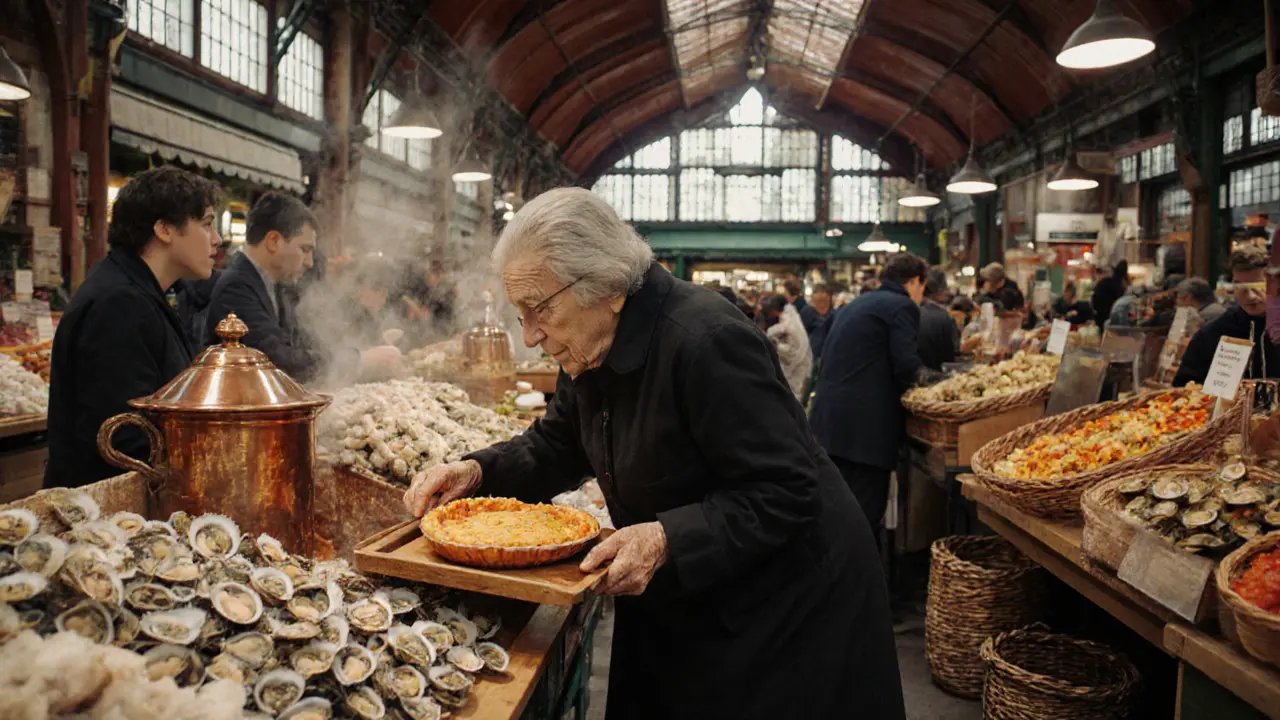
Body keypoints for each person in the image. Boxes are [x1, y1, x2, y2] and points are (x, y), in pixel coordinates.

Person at [402, 188, 903, 720]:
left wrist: (665, 538)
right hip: (693, 589)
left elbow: (785, 489)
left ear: (608, 286)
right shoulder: (590, 344)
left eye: (539, 309)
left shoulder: (706, 340)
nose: (528, 336)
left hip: (784, 607)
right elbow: (556, 443)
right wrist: (478, 471)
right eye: (519, 313)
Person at [45, 167, 222, 488]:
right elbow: (123, 436)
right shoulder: (119, 303)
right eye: (207, 224)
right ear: (165, 229)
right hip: (103, 515)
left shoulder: (138, 290)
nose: (217, 239)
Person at [809, 252, 928, 540]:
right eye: (922, 287)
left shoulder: (857, 304)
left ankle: (834, 580)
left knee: (835, 514)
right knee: (862, 520)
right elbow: (906, 364)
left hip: (830, 425)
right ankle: (861, 583)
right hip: (865, 434)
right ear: (913, 282)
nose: (921, 294)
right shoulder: (902, 306)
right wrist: (930, 384)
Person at [1175, 246, 1280, 386]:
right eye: (1240, 286)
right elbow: (1184, 386)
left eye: (1258, 286)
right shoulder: (1212, 333)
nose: (1250, 296)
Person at [759, 295, 813, 400]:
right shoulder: (789, 316)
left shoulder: (789, 322)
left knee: (795, 394)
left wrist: (776, 345)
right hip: (793, 360)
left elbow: (792, 345)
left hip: (798, 362)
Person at [917, 268, 959, 371]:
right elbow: (953, 353)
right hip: (934, 377)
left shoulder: (907, 311)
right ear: (940, 291)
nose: (948, 292)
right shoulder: (943, 316)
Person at [1091, 259, 1128, 324]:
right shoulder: (1117, 286)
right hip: (1110, 317)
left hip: (1100, 315)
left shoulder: (1104, 283)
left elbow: (1094, 299)